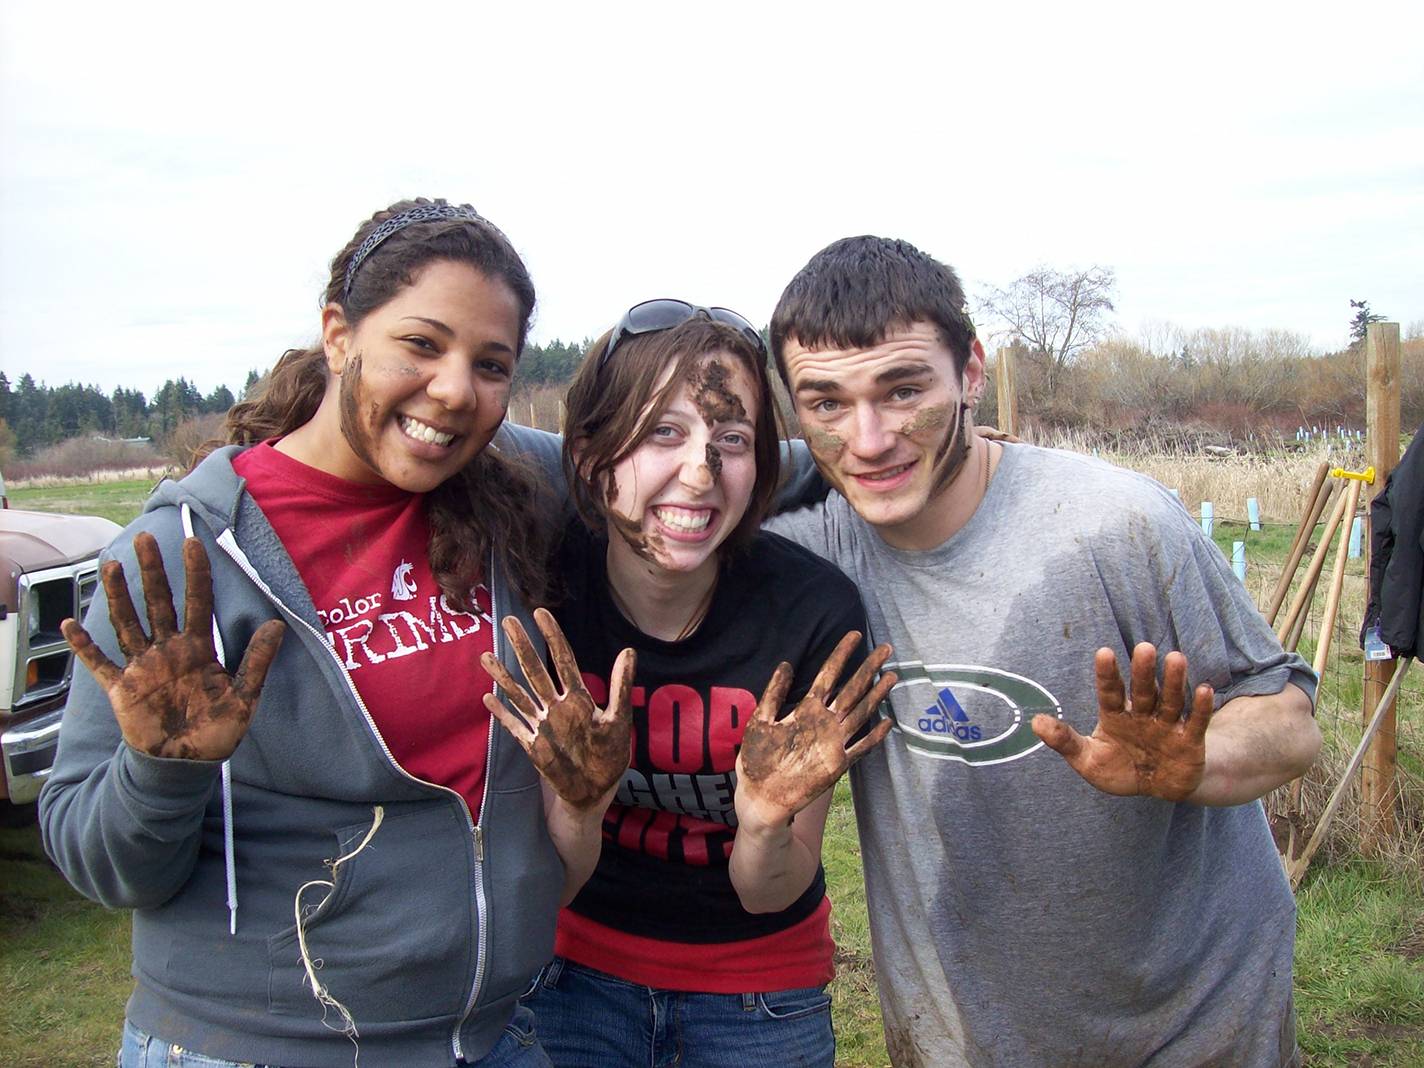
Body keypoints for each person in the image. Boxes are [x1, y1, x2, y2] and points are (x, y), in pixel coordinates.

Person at [39, 199, 629, 1068]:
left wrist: (857, 468)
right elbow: (103, 868)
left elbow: (659, 470)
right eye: (421, 345)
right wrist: (162, 772)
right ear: (339, 335)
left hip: (489, 1037)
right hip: (258, 1047)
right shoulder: (188, 554)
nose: (457, 389)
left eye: (491, 363)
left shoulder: (501, 489)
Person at [763, 236, 1323, 1068]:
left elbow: (1291, 719)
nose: (870, 439)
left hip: (1193, 1021)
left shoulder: (1118, 525)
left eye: (904, 389)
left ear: (973, 373)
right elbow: (623, 473)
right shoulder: (813, 554)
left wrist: (1196, 766)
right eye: (827, 404)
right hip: (965, 1028)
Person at [481, 301, 895, 1068]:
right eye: (663, 432)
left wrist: (767, 819)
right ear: (590, 454)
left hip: (758, 990)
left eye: (730, 441)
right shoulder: (543, 588)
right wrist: (578, 805)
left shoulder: (811, 612)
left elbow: (770, 891)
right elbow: (552, 883)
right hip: (571, 969)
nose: (700, 474)